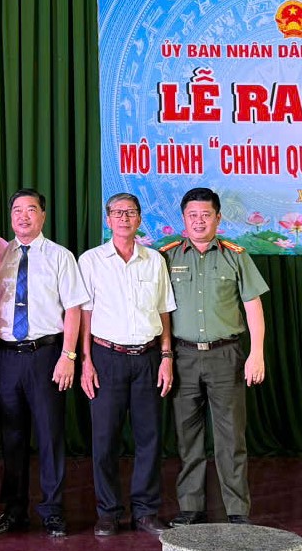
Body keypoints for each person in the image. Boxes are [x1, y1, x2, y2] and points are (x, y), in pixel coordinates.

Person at [0, 188, 88, 538]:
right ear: (10, 216)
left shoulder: (60, 256)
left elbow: (74, 308)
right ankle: (14, 511)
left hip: (46, 356)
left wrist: (68, 356)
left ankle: (53, 511)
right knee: (11, 437)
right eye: (17, 210)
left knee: (51, 435)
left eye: (31, 210)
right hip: (7, 357)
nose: (23, 216)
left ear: (43, 216)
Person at [160, 187, 269, 526]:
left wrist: (257, 354)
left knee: (230, 437)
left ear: (218, 218)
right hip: (183, 357)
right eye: (192, 215)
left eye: (206, 215)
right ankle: (191, 505)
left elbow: (253, 307)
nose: (199, 221)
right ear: (183, 219)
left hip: (227, 356)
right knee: (187, 436)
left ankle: (237, 509)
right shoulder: (167, 257)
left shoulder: (236, 256)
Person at [78, 193, 177, 536]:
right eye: (117, 213)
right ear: (108, 219)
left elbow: (165, 311)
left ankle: (146, 512)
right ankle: (107, 512)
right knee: (104, 440)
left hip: (148, 358)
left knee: (149, 438)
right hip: (106, 358)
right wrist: (85, 361)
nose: (123, 218)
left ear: (138, 220)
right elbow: (84, 315)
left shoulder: (154, 260)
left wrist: (166, 357)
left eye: (130, 213)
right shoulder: (91, 261)